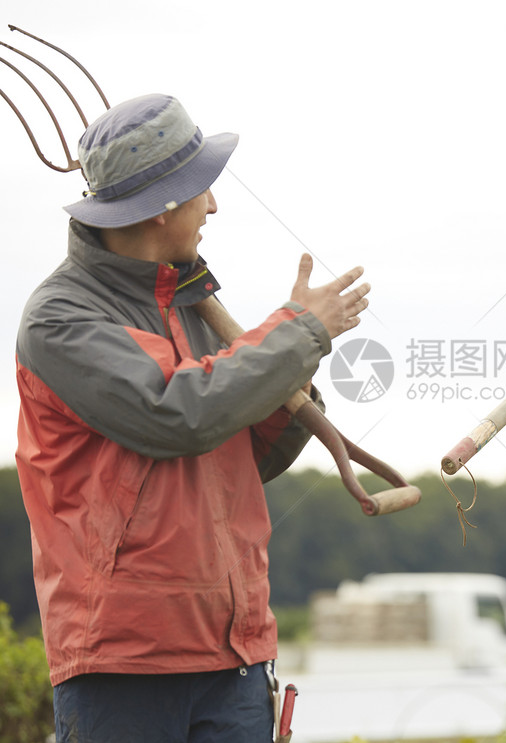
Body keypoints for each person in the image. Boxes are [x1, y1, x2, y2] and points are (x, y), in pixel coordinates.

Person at [15, 93, 370, 742]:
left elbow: (243, 453)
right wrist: (296, 334)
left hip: (235, 651)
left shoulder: (188, 301)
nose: (213, 205)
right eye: (202, 188)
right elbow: (177, 412)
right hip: (123, 663)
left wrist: (291, 378)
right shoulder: (60, 319)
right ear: (161, 208)